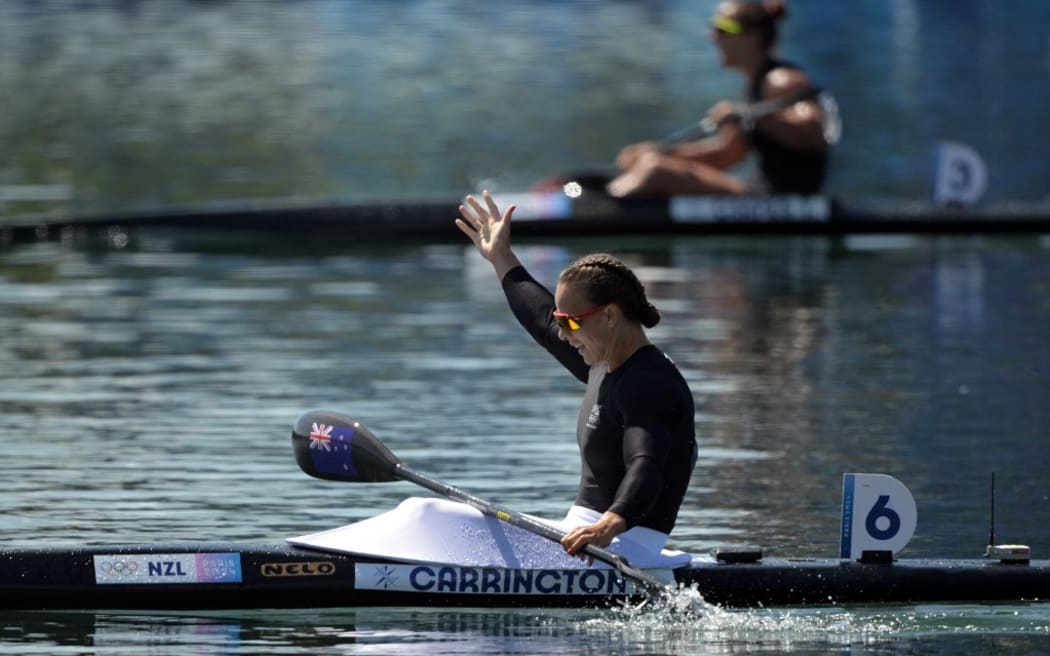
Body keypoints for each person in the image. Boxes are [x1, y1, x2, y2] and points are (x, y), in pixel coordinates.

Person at [455, 191, 697, 560]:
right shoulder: (604, 362)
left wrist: (610, 523)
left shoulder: (650, 384)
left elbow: (646, 464)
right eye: (560, 320)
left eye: (570, 321)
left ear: (611, 316)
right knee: (456, 518)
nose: (563, 333)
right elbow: (539, 319)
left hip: (621, 547)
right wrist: (501, 256)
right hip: (583, 539)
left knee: (435, 516)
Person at [607, 0, 829, 198]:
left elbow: (813, 134)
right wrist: (660, 151)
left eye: (723, 28)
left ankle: (597, 208)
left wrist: (748, 114)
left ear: (753, 36)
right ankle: (601, 198)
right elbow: (725, 154)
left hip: (780, 200)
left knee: (655, 170)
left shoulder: (782, 80)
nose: (712, 36)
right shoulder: (755, 86)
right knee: (651, 161)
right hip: (759, 193)